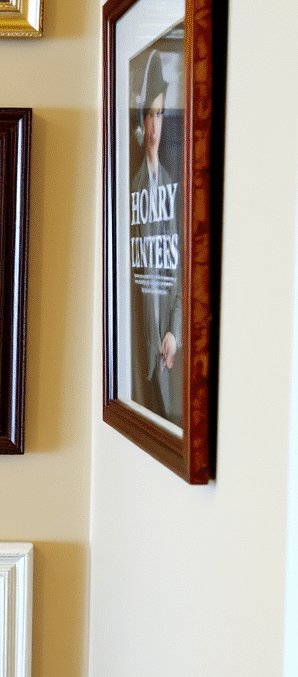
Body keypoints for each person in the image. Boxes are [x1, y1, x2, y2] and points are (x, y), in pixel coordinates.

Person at [129, 49, 182, 423]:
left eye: (161, 114)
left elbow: (179, 273)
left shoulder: (169, 186)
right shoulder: (131, 187)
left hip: (163, 351)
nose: (154, 125)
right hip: (136, 350)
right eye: (150, 113)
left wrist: (174, 333)